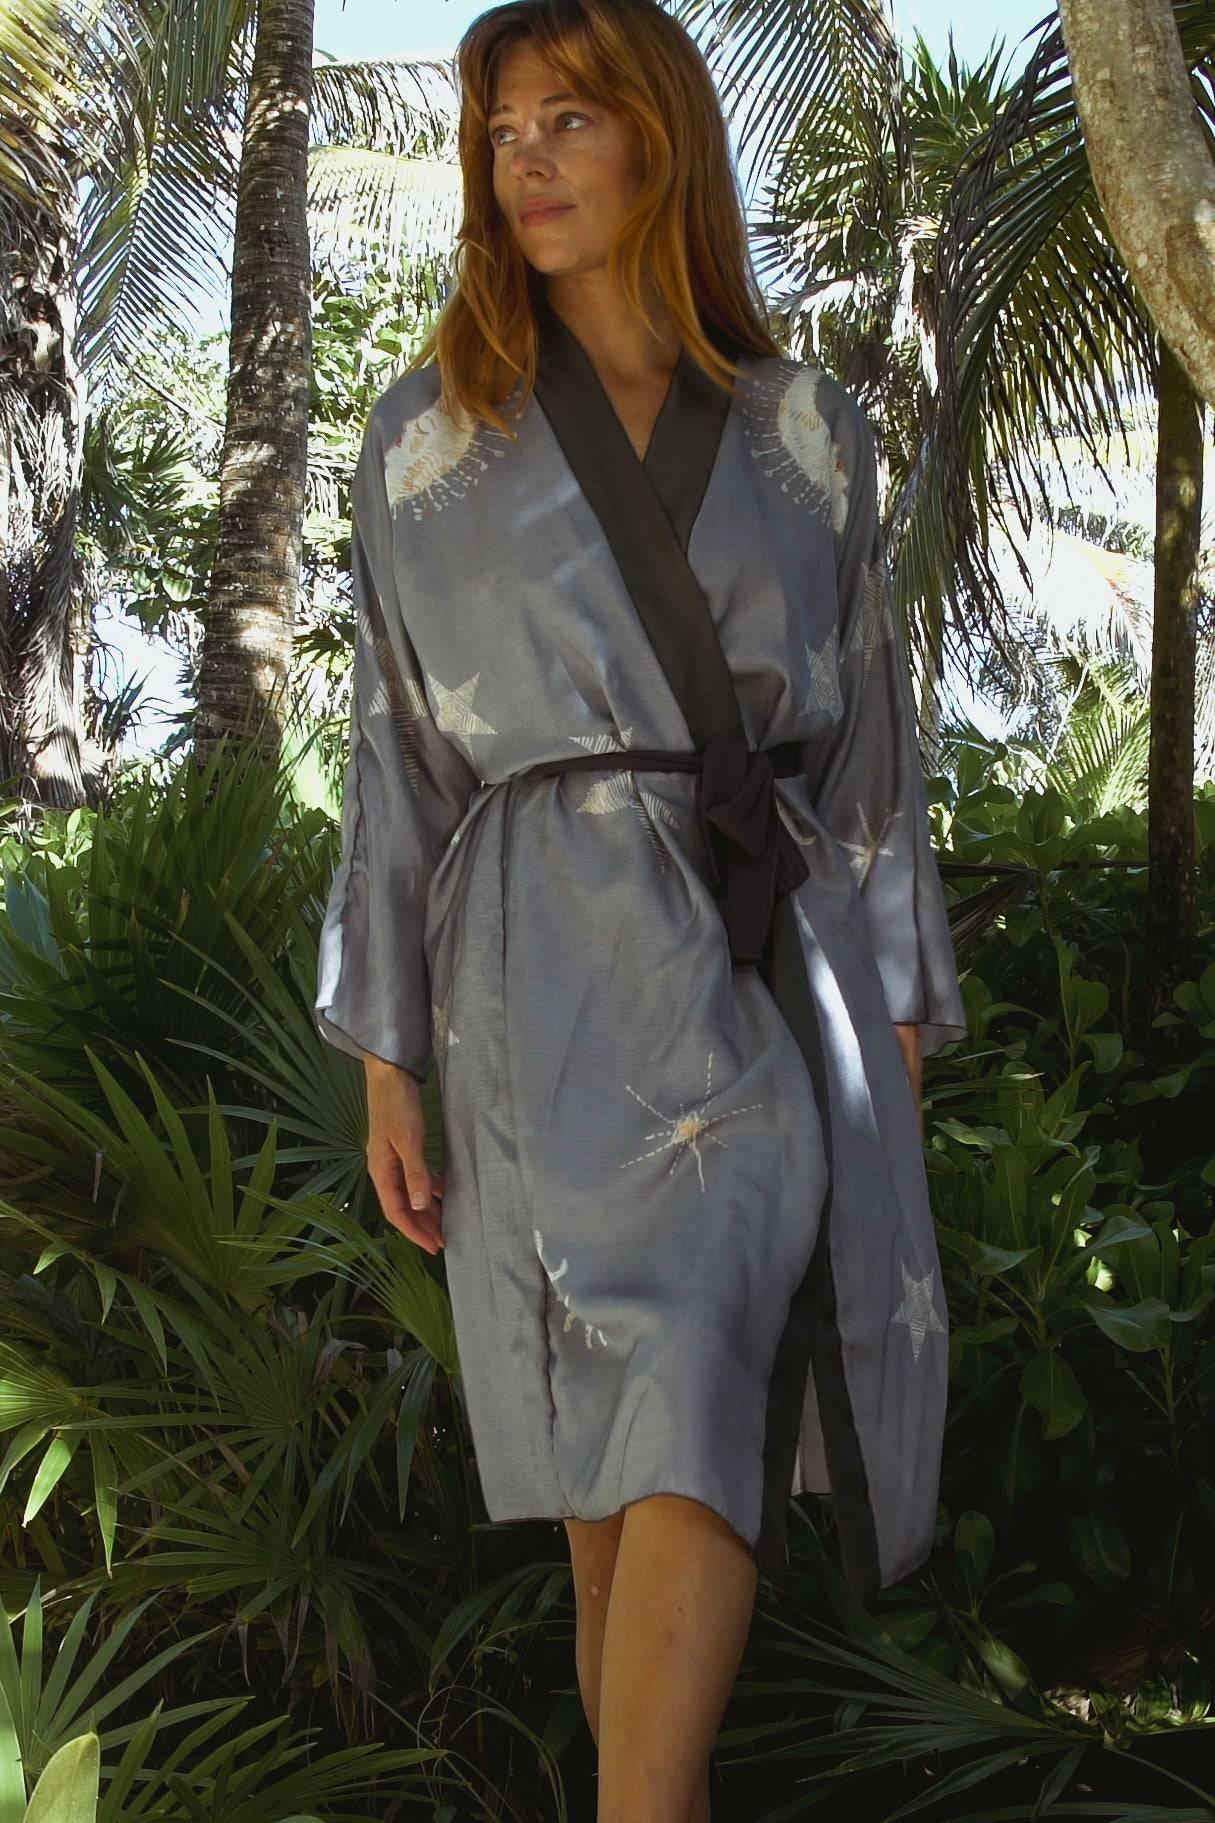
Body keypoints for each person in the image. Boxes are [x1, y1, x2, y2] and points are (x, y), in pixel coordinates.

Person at [314, 1, 968, 1817]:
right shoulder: (428, 447)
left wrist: (895, 1016)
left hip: (762, 977)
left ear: (661, 143)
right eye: (502, 126)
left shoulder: (808, 435)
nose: (524, 156)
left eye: (571, 119)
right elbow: (393, 761)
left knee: (691, 1382)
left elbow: (872, 752)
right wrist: (392, 1058)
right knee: (610, 1501)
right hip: (534, 986)